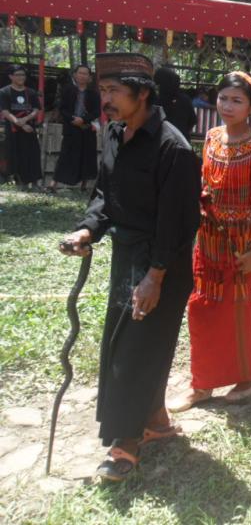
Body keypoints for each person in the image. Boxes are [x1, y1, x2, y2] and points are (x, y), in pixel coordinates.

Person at [58, 53, 200, 481]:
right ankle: (154, 420)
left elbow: (179, 223)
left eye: (114, 91)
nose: (107, 99)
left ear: (142, 94)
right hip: (127, 256)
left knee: (134, 351)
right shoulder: (116, 134)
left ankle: (124, 442)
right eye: (102, 91)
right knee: (130, 341)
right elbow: (106, 194)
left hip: (164, 265)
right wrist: (87, 231)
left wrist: (154, 276)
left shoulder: (174, 147)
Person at [167, 72, 251, 413]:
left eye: (237, 100)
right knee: (201, 308)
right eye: (223, 98)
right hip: (208, 240)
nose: (227, 106)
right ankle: (202, 383)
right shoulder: (212, 138)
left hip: (242, 244)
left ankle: (248, 378)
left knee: (239, 312)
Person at [48, 65, 101, 193]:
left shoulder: (94, 93)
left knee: (87, 155)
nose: (83, 76)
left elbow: (97, 111)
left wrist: (83, 119)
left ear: (89, 77)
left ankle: (84, 185)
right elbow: (62, 108)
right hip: (71, 127)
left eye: (85, 74)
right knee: (65, 155)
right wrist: (73, 119)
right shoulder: (67, 90)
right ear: (75, 75)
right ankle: (53, 184)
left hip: (87, 127)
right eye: (80, 73)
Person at [0, 65, 42, 189]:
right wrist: (20, 123)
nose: (21, 77)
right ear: (11, 76)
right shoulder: (4, 92)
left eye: (22, 75)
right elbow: (5, 112)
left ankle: (35, 183)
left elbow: (36, 110)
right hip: (13, 130)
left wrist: (25, 120)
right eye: (18, 75)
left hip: (29, 129)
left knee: (33, 154)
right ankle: (21, 183)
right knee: (16, 155)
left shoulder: (31, 92)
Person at [154, 66, 197, 142]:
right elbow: (192, 121)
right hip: (182, 142)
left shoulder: (156, 101)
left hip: (161, 144)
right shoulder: (185, 99)